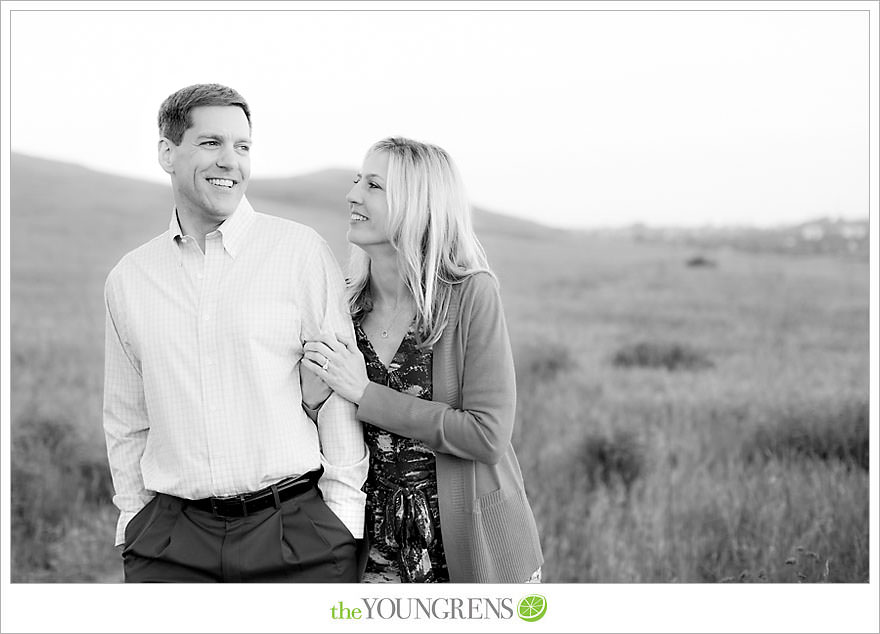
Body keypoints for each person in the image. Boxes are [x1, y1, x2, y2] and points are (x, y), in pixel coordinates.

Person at [102, 83, 368, 582]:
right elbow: (126, 417)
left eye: (242, 147)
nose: (231, 161)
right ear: (167, 152)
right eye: (211, 144)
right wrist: (134, 521)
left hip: (296, 534)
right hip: (171, 543)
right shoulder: (130, 278)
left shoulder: (299, 253)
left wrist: (341, 519)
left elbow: (338, 392)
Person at [302, 137, 543, 583]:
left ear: (417, 205)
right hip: (375, 546)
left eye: (374, 186)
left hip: (472, 543)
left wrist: (365, 393)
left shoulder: (471, 294)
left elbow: (487, 435)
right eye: (357, 180)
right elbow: (322, 430)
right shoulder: (341, 304)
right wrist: (312, 404)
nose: (353, 194)